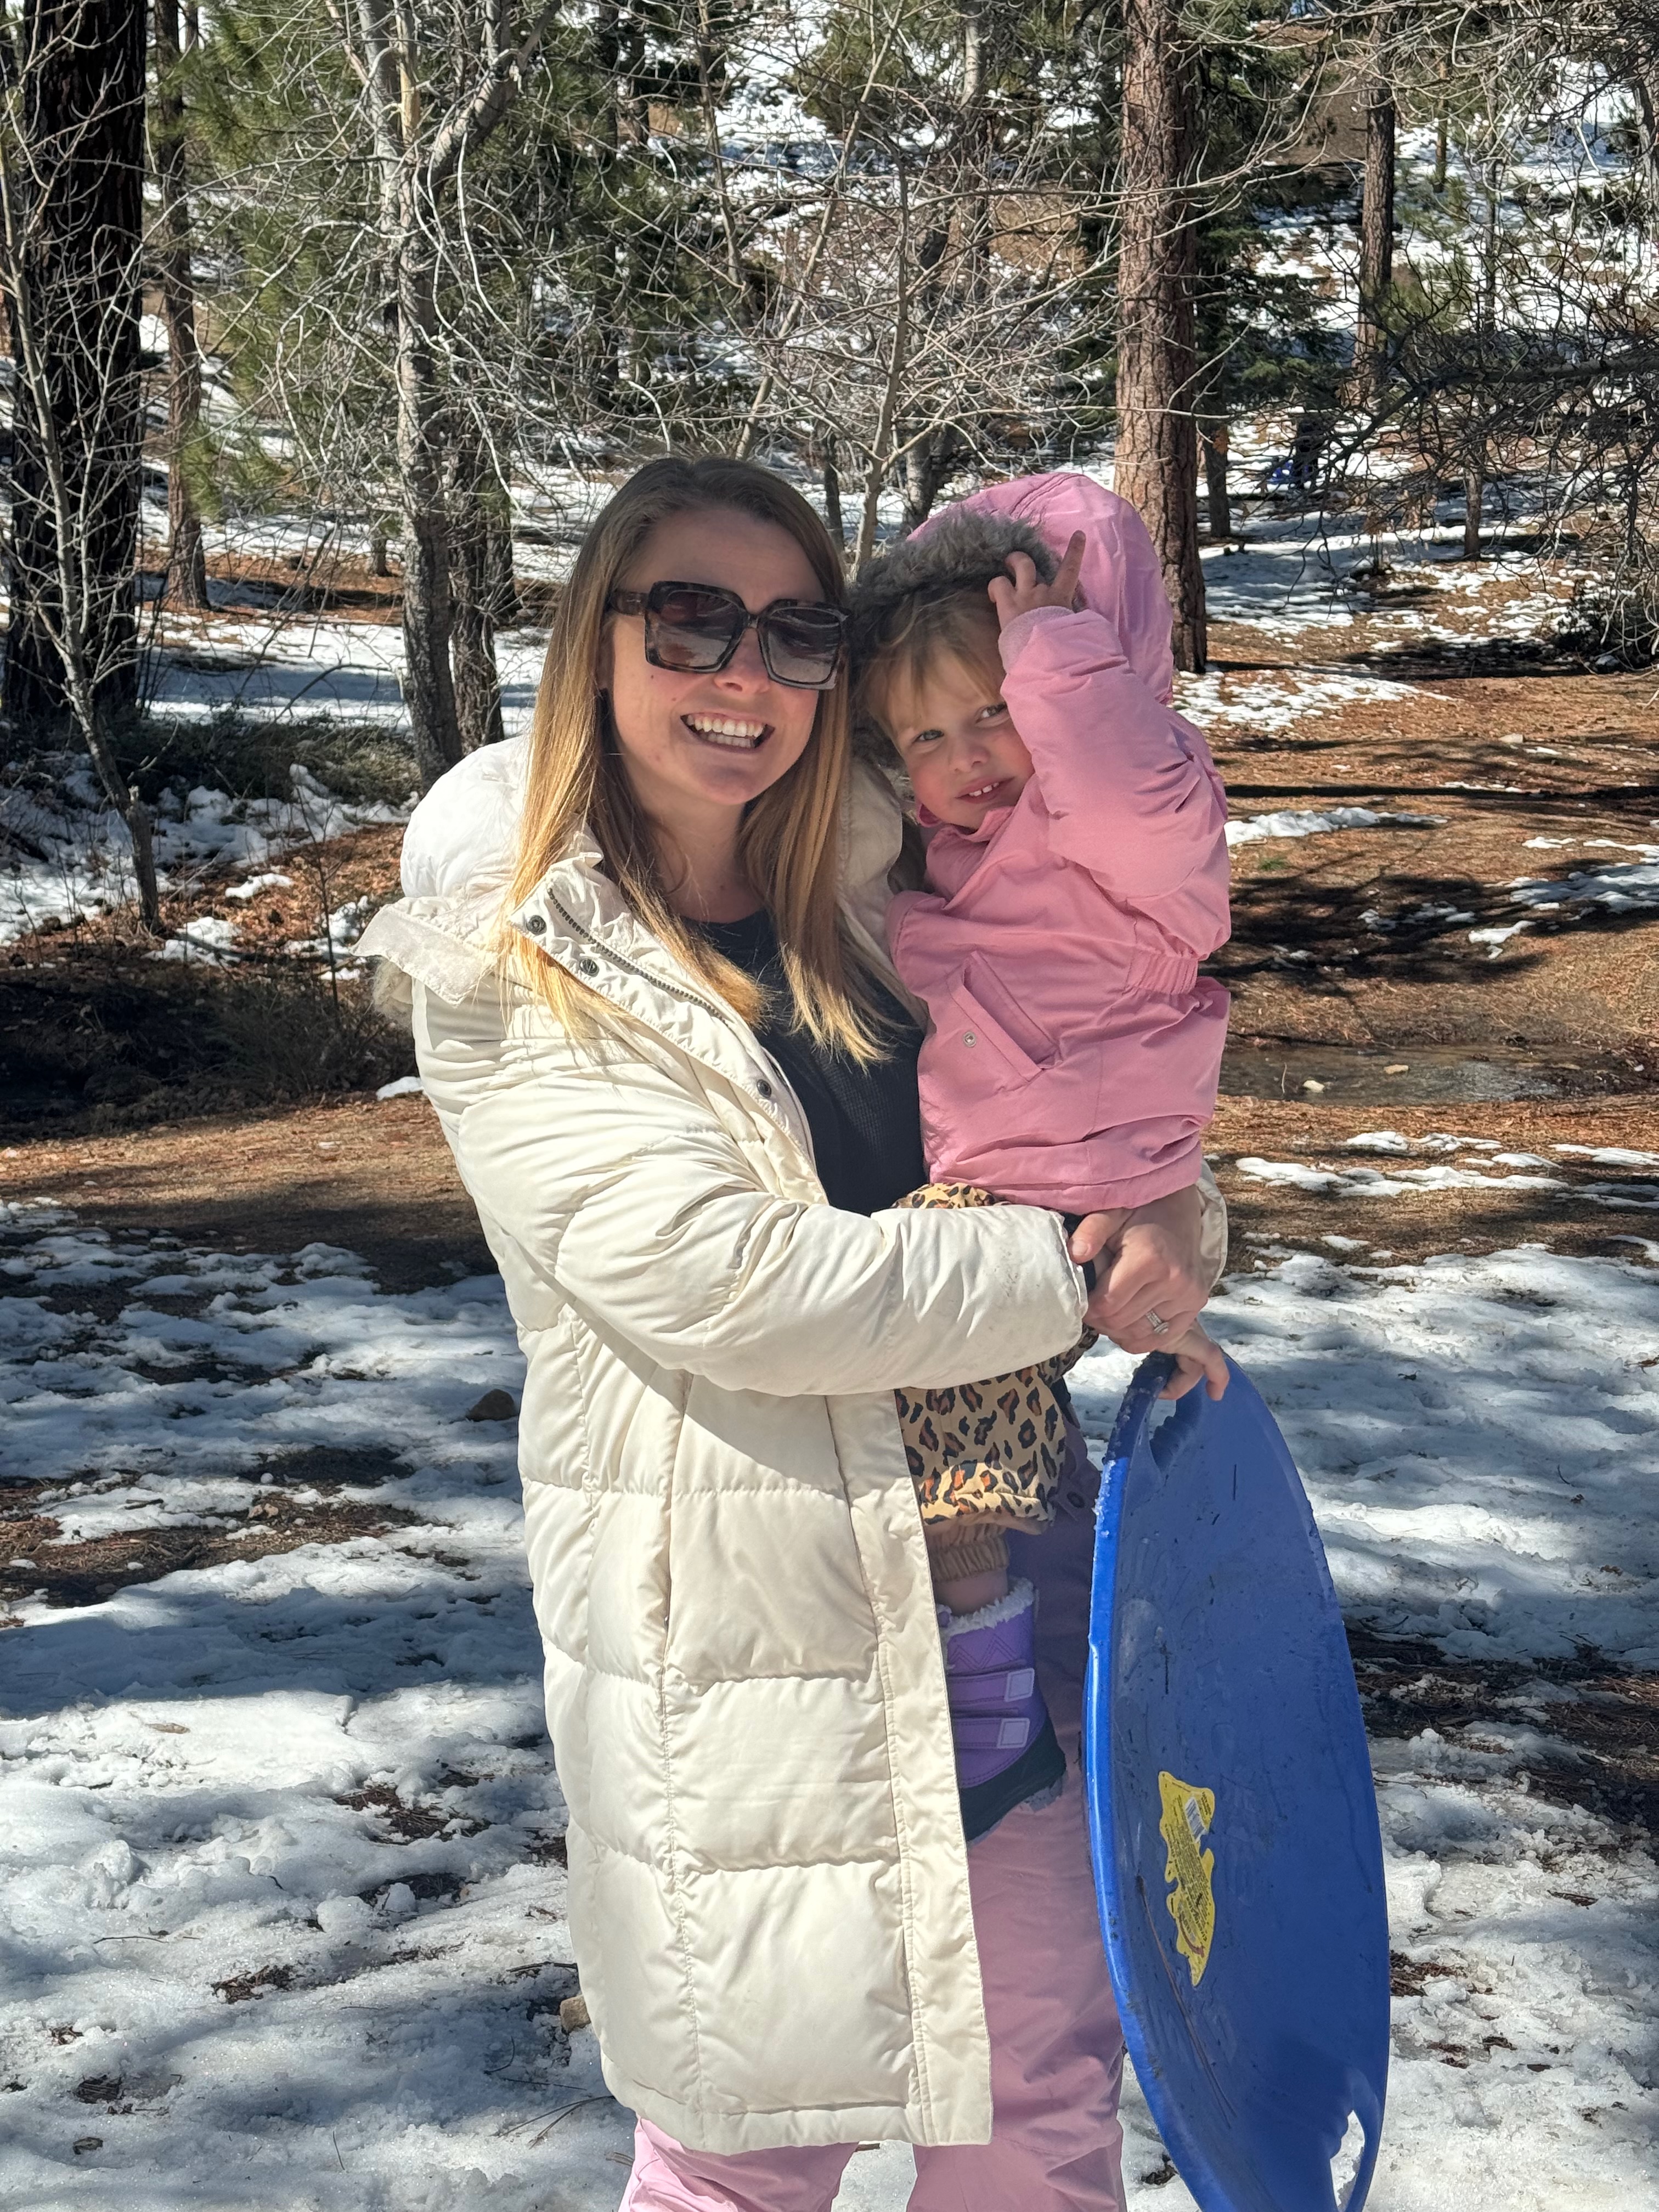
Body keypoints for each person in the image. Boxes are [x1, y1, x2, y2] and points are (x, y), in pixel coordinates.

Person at [359, 454, 1228, 2212]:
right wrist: (1069, 1278)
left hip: (995, 1604)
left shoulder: (877, 875)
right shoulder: (513, 943)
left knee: (1043, 2114)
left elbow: (1075, 1095)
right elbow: (725, 1280)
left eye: (793, 630)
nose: (740, 672)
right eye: (691, 619)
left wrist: (1179, 1219)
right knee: (752, 2147)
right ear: (593, 639)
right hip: (748, 1650)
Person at [845, 473, 1233, 1835]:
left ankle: (989, 1688)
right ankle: (989, 1666)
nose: (963, 760)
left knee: (952, 1413)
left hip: (1062, 1170)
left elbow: (1129, 784)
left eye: (991, 713)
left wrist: (1062, 663)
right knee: (960, 1429)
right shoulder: (955, 857)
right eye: (923, 738)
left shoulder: (1125, 816)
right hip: (1025, 1170)